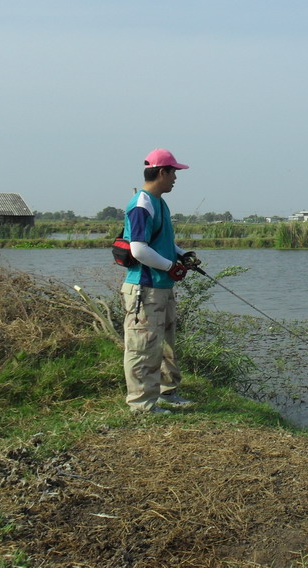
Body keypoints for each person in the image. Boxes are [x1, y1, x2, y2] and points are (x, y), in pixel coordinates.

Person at [120, 148, 201, 414]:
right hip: (145, 288)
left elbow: (163, 241)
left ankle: (167, 393)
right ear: (162, 172)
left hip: (162, 287)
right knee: (143, 347)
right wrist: (170, 267)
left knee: (166, 344)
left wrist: (181, 255)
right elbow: (138, 249)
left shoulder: (159, 202)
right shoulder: (141, 204)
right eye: (174, 173)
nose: (176, 178)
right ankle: (142, 405)